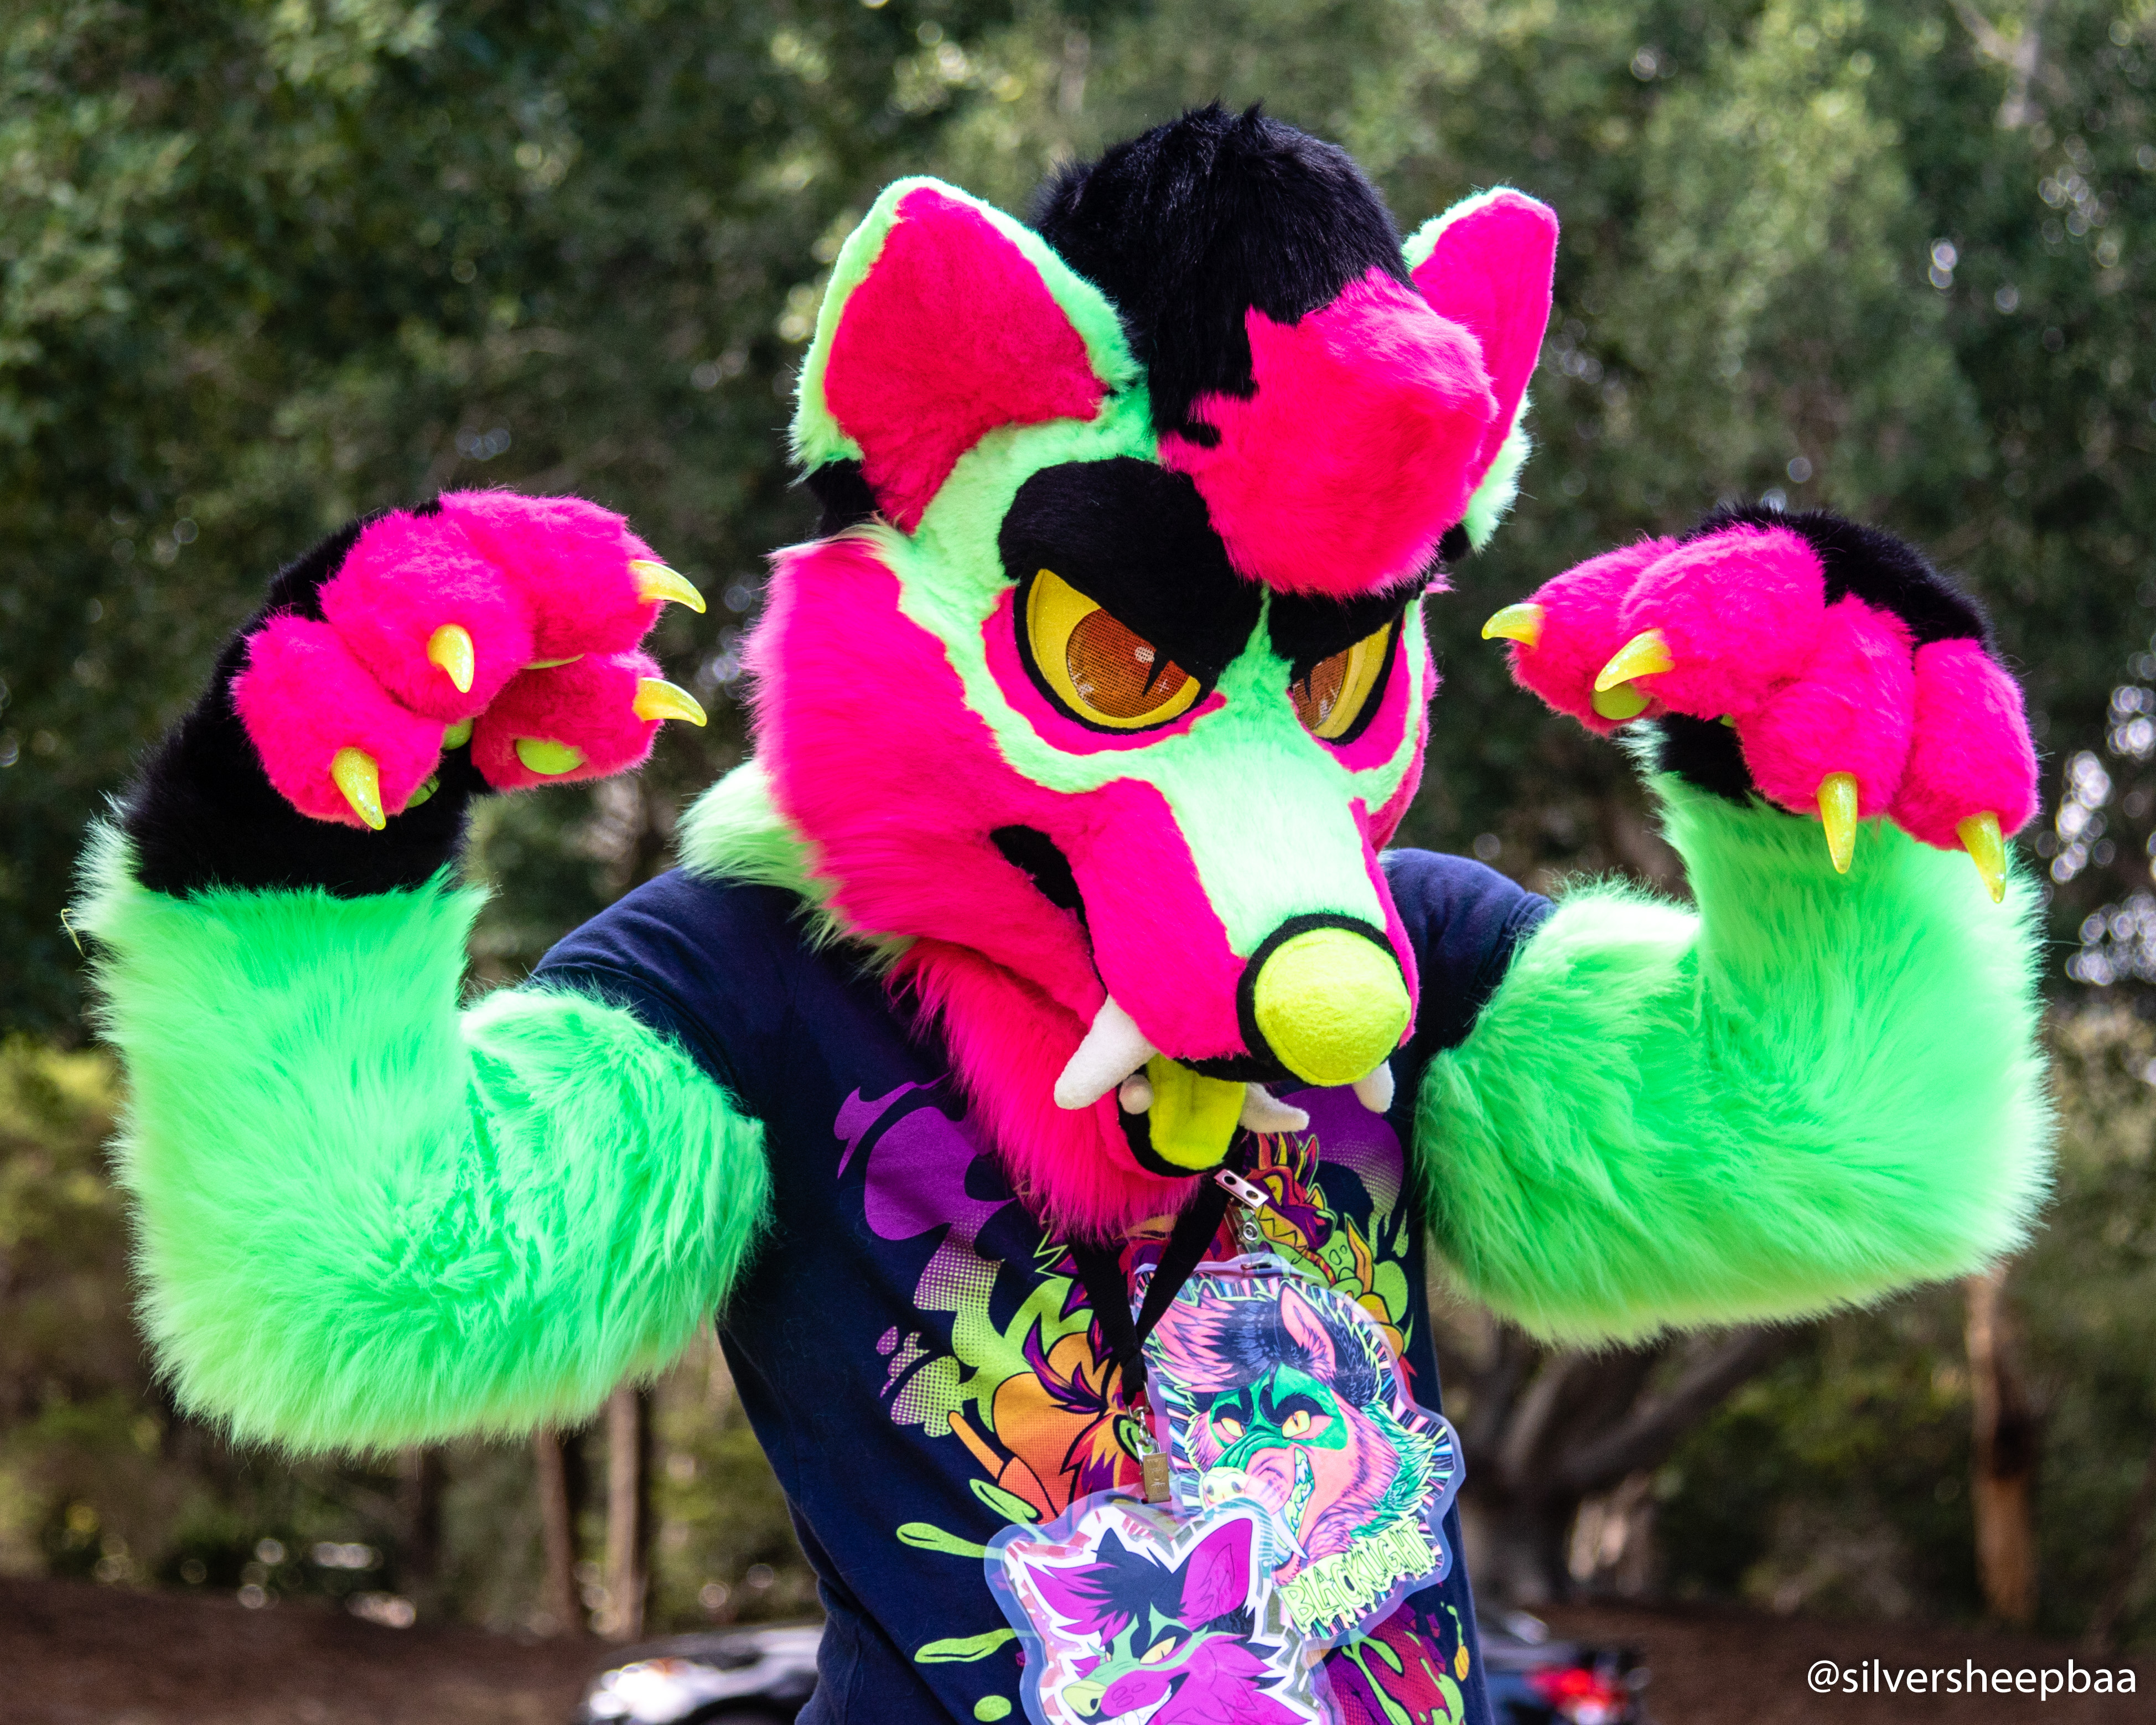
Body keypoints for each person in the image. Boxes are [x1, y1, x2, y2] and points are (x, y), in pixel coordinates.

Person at [79, 106, 2048, 1725]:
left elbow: (1853, 1153)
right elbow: (356, 1282)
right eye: (1121, 661)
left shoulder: (1421, 960)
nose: (1273, 804)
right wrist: (293, 853)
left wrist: (1822, 819)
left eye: (1338, 673)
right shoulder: (745, 983)